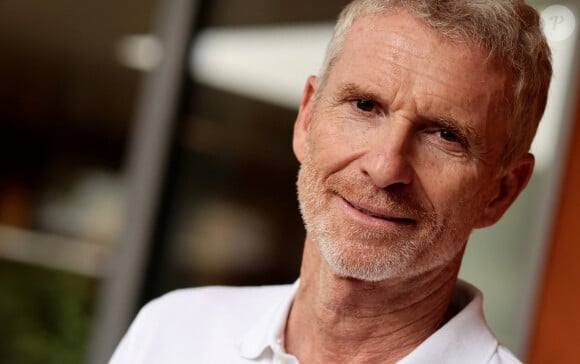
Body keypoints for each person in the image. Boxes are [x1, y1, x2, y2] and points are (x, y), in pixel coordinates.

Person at [109, 0, 552, 363]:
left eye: (445, 135)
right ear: (306, 118)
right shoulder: (172, 333)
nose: (384, 167)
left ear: (501, 192)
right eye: (364, 105)